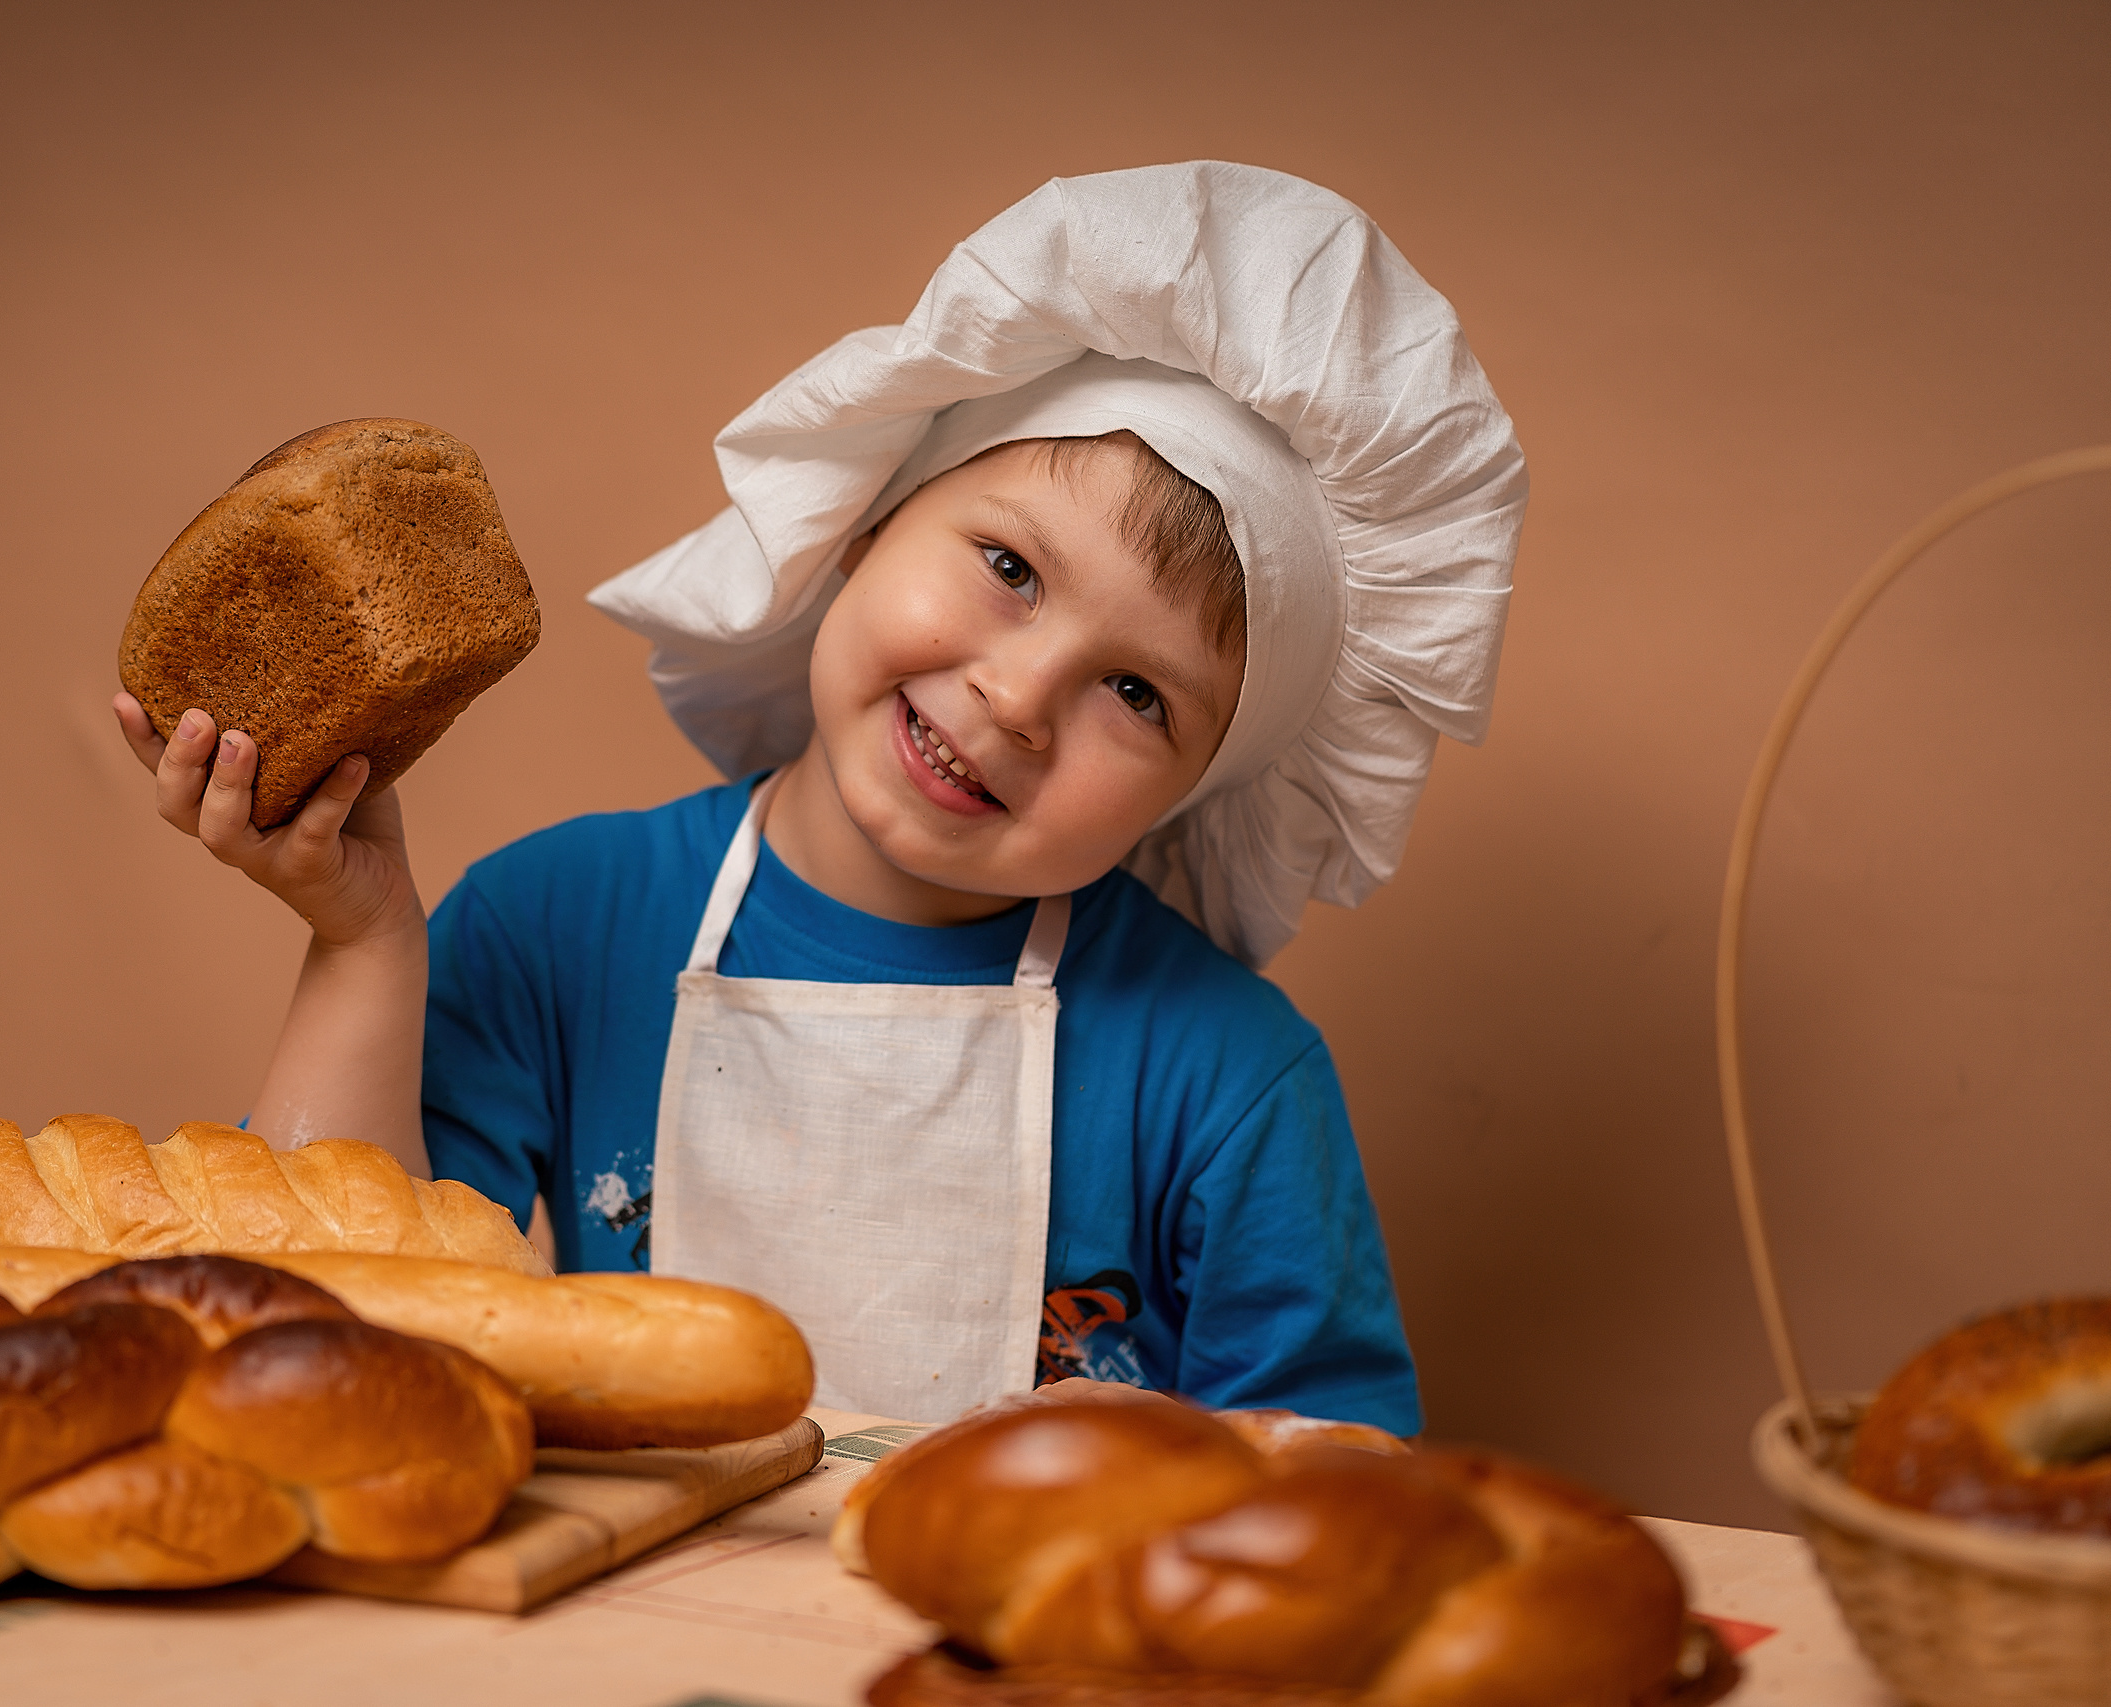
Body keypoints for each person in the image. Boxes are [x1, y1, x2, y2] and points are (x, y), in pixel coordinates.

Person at [114, 163, 1525, 1432]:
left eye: (1140, 695)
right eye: (1012, 568)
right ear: (859, 523)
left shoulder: (1225, 1074)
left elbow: (1333, 1488)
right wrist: (363, 944)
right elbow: (339, 1338)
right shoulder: (560, 926)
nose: (1022, 698)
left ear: (1196, 793)